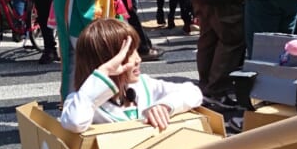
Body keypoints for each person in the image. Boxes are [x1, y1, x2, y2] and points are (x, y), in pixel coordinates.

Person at [60, 17, 202, 132]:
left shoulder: (144, 85)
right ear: (106, 61)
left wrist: (165, 106)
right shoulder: (81, 101)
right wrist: (104, 72)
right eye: (128, 54)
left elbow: (194, 92)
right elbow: (74, 122)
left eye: (136, 51)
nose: (138, 59)